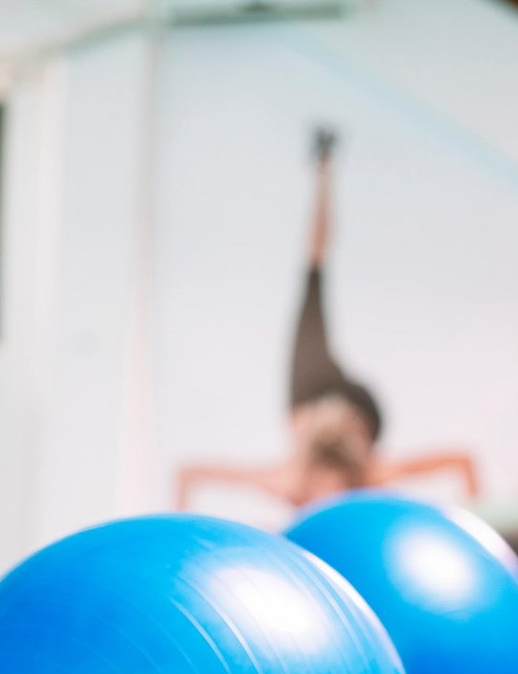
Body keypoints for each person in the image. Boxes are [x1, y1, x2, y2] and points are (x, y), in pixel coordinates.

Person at [177, 128, 479, 512]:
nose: (327, 492)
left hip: (310, 396)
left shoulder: (288, 481)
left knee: (313, 272)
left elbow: (189, 474)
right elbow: (463, 462)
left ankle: (324, 168)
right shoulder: (372, 476)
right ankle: (324, 167)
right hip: (359, 407)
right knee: (313, 271)